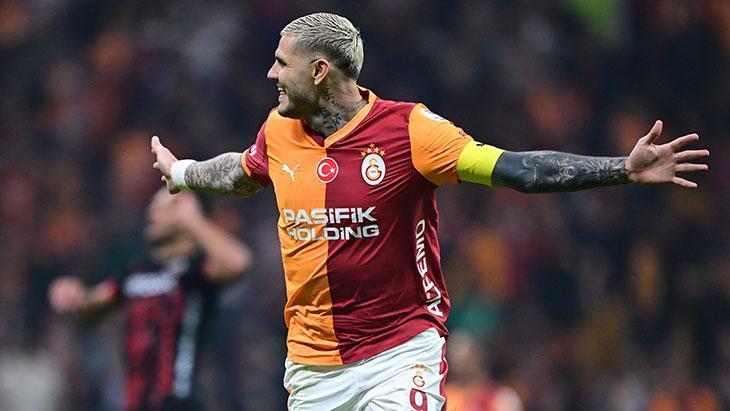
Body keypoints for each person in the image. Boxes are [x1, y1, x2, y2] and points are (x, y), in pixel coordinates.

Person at [149, 12, 709, 410]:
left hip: (398, 352)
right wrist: (182, 173)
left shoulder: (411, 131)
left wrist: (622, 168)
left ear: (318, 71)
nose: (271, 75)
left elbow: (517, 169)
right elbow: (241, 173)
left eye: (281, 63)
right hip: (312, 364)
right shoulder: (279, 130)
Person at [49, 189, 252, 411]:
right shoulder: (136, 272)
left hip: (178, 403)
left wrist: (194, 219)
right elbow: (91, 310)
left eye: (166, 207)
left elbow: (238, 263)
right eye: (153, 207)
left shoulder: (196, 272)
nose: (153, 212)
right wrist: (74, 297)